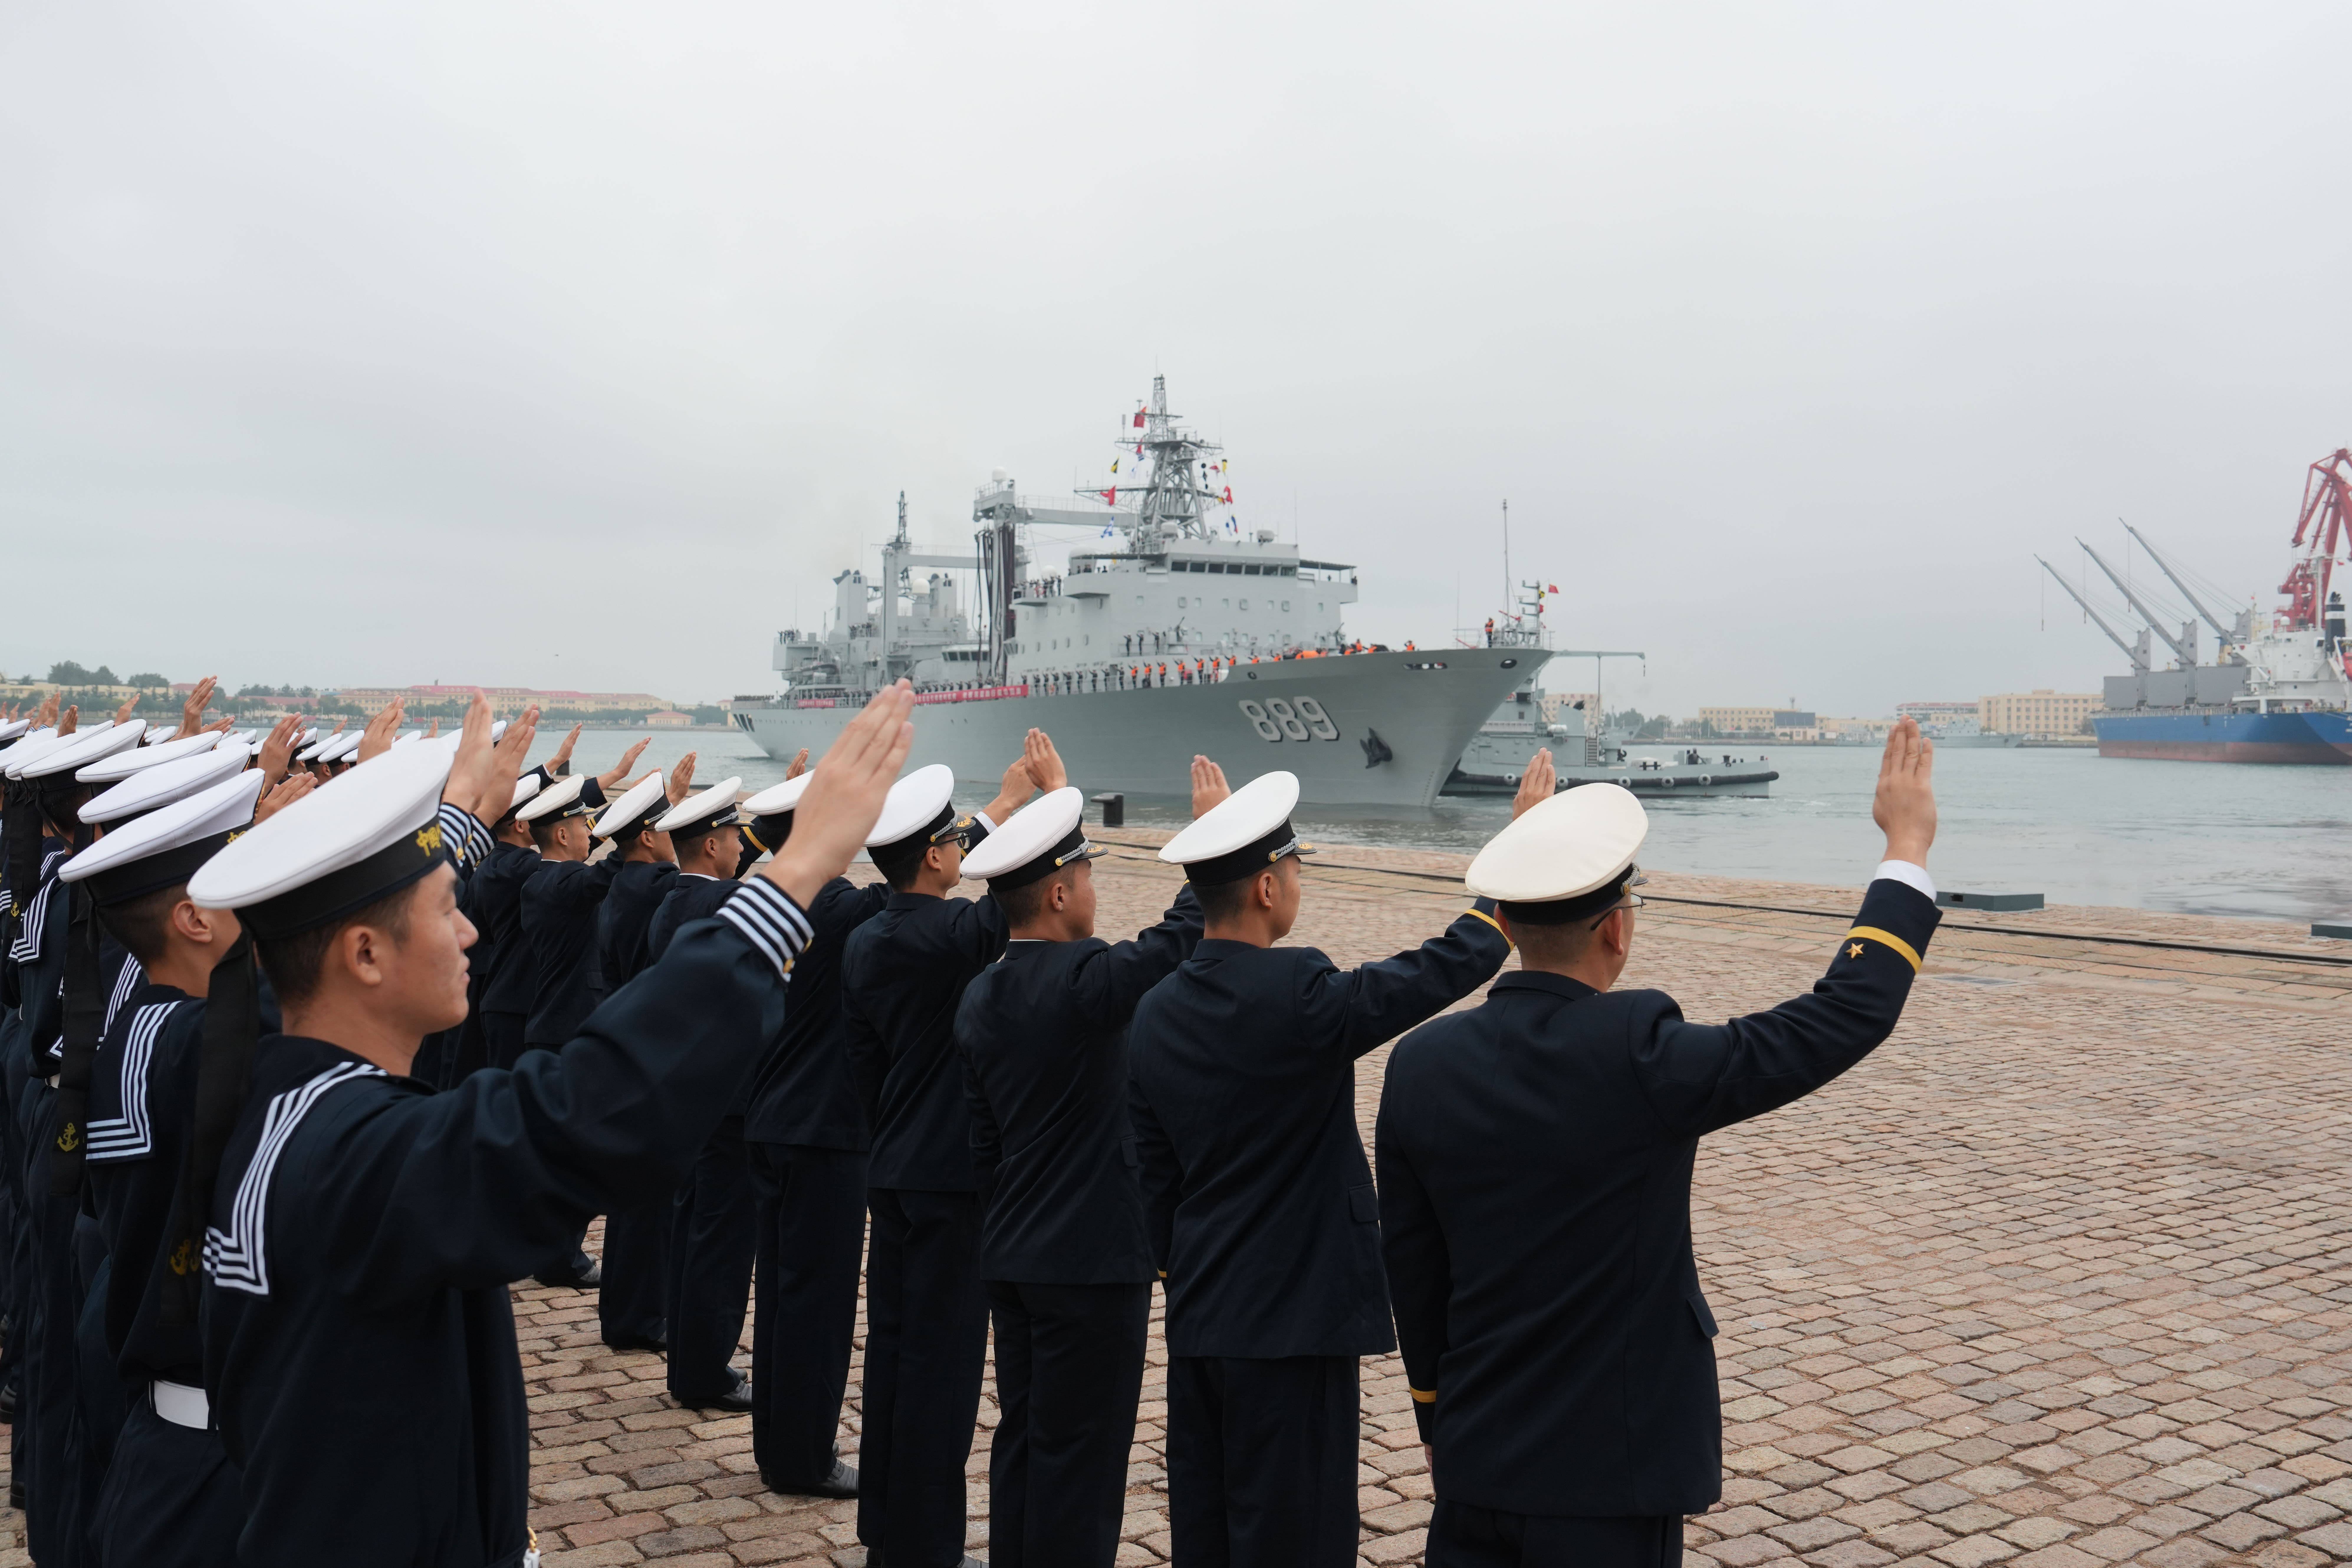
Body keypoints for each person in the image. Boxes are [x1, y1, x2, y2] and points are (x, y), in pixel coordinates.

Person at [188, 686, 916, 1568]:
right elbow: (588, 1106)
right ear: (367, 956)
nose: (467, 931)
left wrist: (459, 814)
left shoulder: (279, 1090)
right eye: (445, 911)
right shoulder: (354, 1155)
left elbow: (315, 924)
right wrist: (799, 872)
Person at [1376, 725, 1941, 1568]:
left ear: (1503, 919)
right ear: (1617, 932)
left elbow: (1413, 1270)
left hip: (1476, 1458)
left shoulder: (1419, 1063)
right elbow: (1840, 1016)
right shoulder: (1641, 1053)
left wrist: (1435, 1417)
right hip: (1612, 1476)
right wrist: (1906, 848)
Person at [1126, 759, 1548, 1568]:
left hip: (1203, 1318)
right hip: (1294, 1325)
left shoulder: (1153, 1011)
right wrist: (1516, 853)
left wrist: (1189, 1274)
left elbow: (1155, 1182)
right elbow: (1431, 973)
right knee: (1298, 1535)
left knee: (1208, 1530)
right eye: (1292, 868)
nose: (1296, 882)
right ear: (1263, 889)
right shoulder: (1297, 990)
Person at [955, 756, 1221, 1567]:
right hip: (1090, 1262)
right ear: (1062, 893)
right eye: (1089, 874)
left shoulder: (980, 995)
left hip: (1012, 1252)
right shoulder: (1089, 984)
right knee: (1086, 1455)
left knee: (1027, 1435)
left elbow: (984, 1146)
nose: (1097, 890)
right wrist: (1211, 833)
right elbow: (1181, 934)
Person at [59, 761, 319, 1565]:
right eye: (247, 877)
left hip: (155, 1414)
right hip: (213, 1457)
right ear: (193, 921)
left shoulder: (148, 1012)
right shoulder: (205, 1044)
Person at [840, 740, 1054, 1568]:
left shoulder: (871, 935)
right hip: (949, 1183)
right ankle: (924, 1547)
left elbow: (864, 1069)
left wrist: (995, 810)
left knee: (894, 1355)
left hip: (891, 1167)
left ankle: (886, 1526)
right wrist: (1039, 807)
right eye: (954, 842)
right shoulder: (947, 936)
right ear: (933, 855)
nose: (964, 851)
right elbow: (1013, 897)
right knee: (941, 1370)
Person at [739, 768, 875, 1501]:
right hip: (825, 1128)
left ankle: (777, 1446)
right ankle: (803, 1460)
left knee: (781, 1297)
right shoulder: (838, 903)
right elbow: (915, 881)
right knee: (817, 1306)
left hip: (769, 1116)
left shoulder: (760, 896)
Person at [642, 773, 760, 1411]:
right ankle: (705, 1371)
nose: (743, 846)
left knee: (693, 1229)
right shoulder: (724, 905)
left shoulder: (673, 901)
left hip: (688, 1095)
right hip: (730, 1098)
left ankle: (688, 1360)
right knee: (722, 1239)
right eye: (736, 836)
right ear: (713, 845)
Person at [588, 757, 695, 1353]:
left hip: (625, 1046)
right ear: (651, 837)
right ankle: (639, 1316)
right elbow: (705, 886)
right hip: (658, 1057)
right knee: (651, 1202)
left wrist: (666, 798)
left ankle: (628, 1311)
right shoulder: (660, 889)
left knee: (635, 1197)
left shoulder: (618, 886)